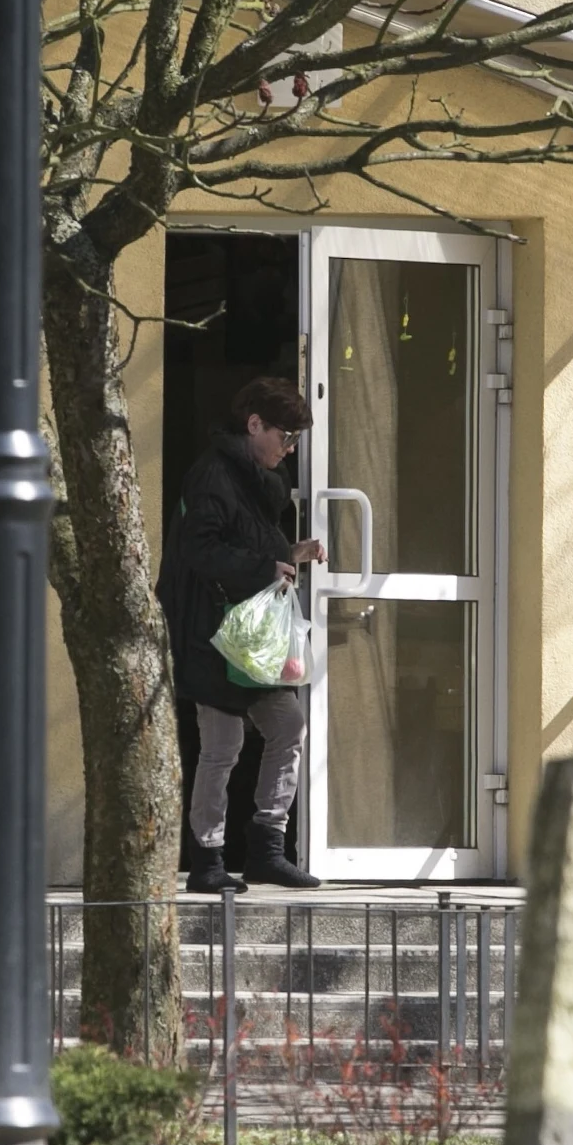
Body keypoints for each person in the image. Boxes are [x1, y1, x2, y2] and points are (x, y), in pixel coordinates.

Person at [157, 376, 327, 891]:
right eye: (287, 436)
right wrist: (266, 566)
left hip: (250, 640)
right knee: (223, 745)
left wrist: (291, 555)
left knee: (287, 726)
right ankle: (207, 862)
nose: (291, 448)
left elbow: (249, 549)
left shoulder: (253, 478)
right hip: (213, 635)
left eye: (296, 439)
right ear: (255, 425)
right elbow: (200, 550)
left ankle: (266, 850)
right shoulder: (213, 475)